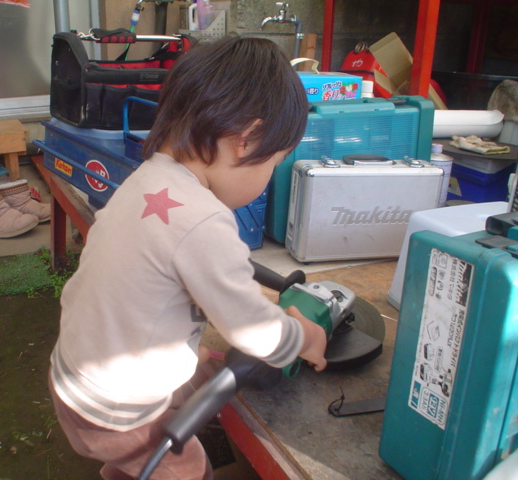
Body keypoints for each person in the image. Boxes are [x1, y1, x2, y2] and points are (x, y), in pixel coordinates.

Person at [48, 35, 327, 480]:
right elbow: (254, 332)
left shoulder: (148, 177)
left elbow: (150, 286)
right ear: (246, 140)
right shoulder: (203, 220)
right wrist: (305, 337)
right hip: (116, 407)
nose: (268, 176)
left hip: (77, 378)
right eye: (273, 163)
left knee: (143, 452)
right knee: (186, 468)